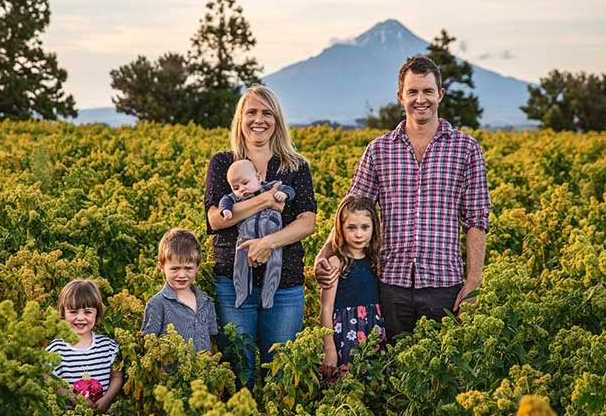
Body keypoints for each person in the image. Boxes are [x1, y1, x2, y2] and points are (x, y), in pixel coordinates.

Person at [315, 55, 491, 340]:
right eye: (413, 92)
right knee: (392, 369)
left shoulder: (466, 149)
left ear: (440, 95)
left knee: (439, 371)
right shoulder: (379, 150)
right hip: (390, 284)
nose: (420, 99)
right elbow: (352, 209)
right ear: (401, 97)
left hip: (444, 284)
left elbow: (476, 220)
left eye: (427, 91)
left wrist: (473, 284)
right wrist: (324, 255)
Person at [205, 84, 317, 387]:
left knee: (281, 374)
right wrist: (266, 201)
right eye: (251, 112)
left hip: (285, 285)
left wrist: (268, 243)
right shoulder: (223, 163)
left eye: (267, 113)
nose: (259, 119)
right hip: (232, 283)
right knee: (239, 375)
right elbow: (216, 219)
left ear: (277, 120)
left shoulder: (295, 166)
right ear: (240, 119)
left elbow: (308, 221)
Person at [46, 278, 123, 416]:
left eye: (87, 312)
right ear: (63, 314)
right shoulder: (56, 349)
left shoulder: (108, 346)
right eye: (73, 312)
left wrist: (106, 399)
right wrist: (74, 399)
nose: (81, 318)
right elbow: (50, 380)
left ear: (97, 315)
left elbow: (117, 376)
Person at [320, 195, 386, 378]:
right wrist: (329, 348)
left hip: (372, 330)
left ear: (374, 228)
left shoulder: (376, 260)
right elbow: (325, 308)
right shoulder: (336, 263)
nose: (359, 234)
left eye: (365, 227)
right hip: (344, 333)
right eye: (351, 228)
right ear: (340, 229)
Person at [219, 158, 295, 309]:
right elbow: (225, 200)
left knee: (275, 265)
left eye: (245, 183)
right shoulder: (236, 198)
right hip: (245, 237)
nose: (242, 189)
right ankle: (241, 295)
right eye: (236, 187)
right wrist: (226, 210)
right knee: (240, 265)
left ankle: (268, 296)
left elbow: (290, 189)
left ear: (258, 177)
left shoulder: (271, 186)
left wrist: (284, 195)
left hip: (272, 236)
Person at [141, 228, 218, 351]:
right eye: (175, 269)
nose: (182, 275)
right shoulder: (157, 304)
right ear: (161, 267)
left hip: (205, 368)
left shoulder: (206, 302)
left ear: (197, 267)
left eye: (188, 268)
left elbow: (212, 340)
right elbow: (149, 344)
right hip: (173, 370)